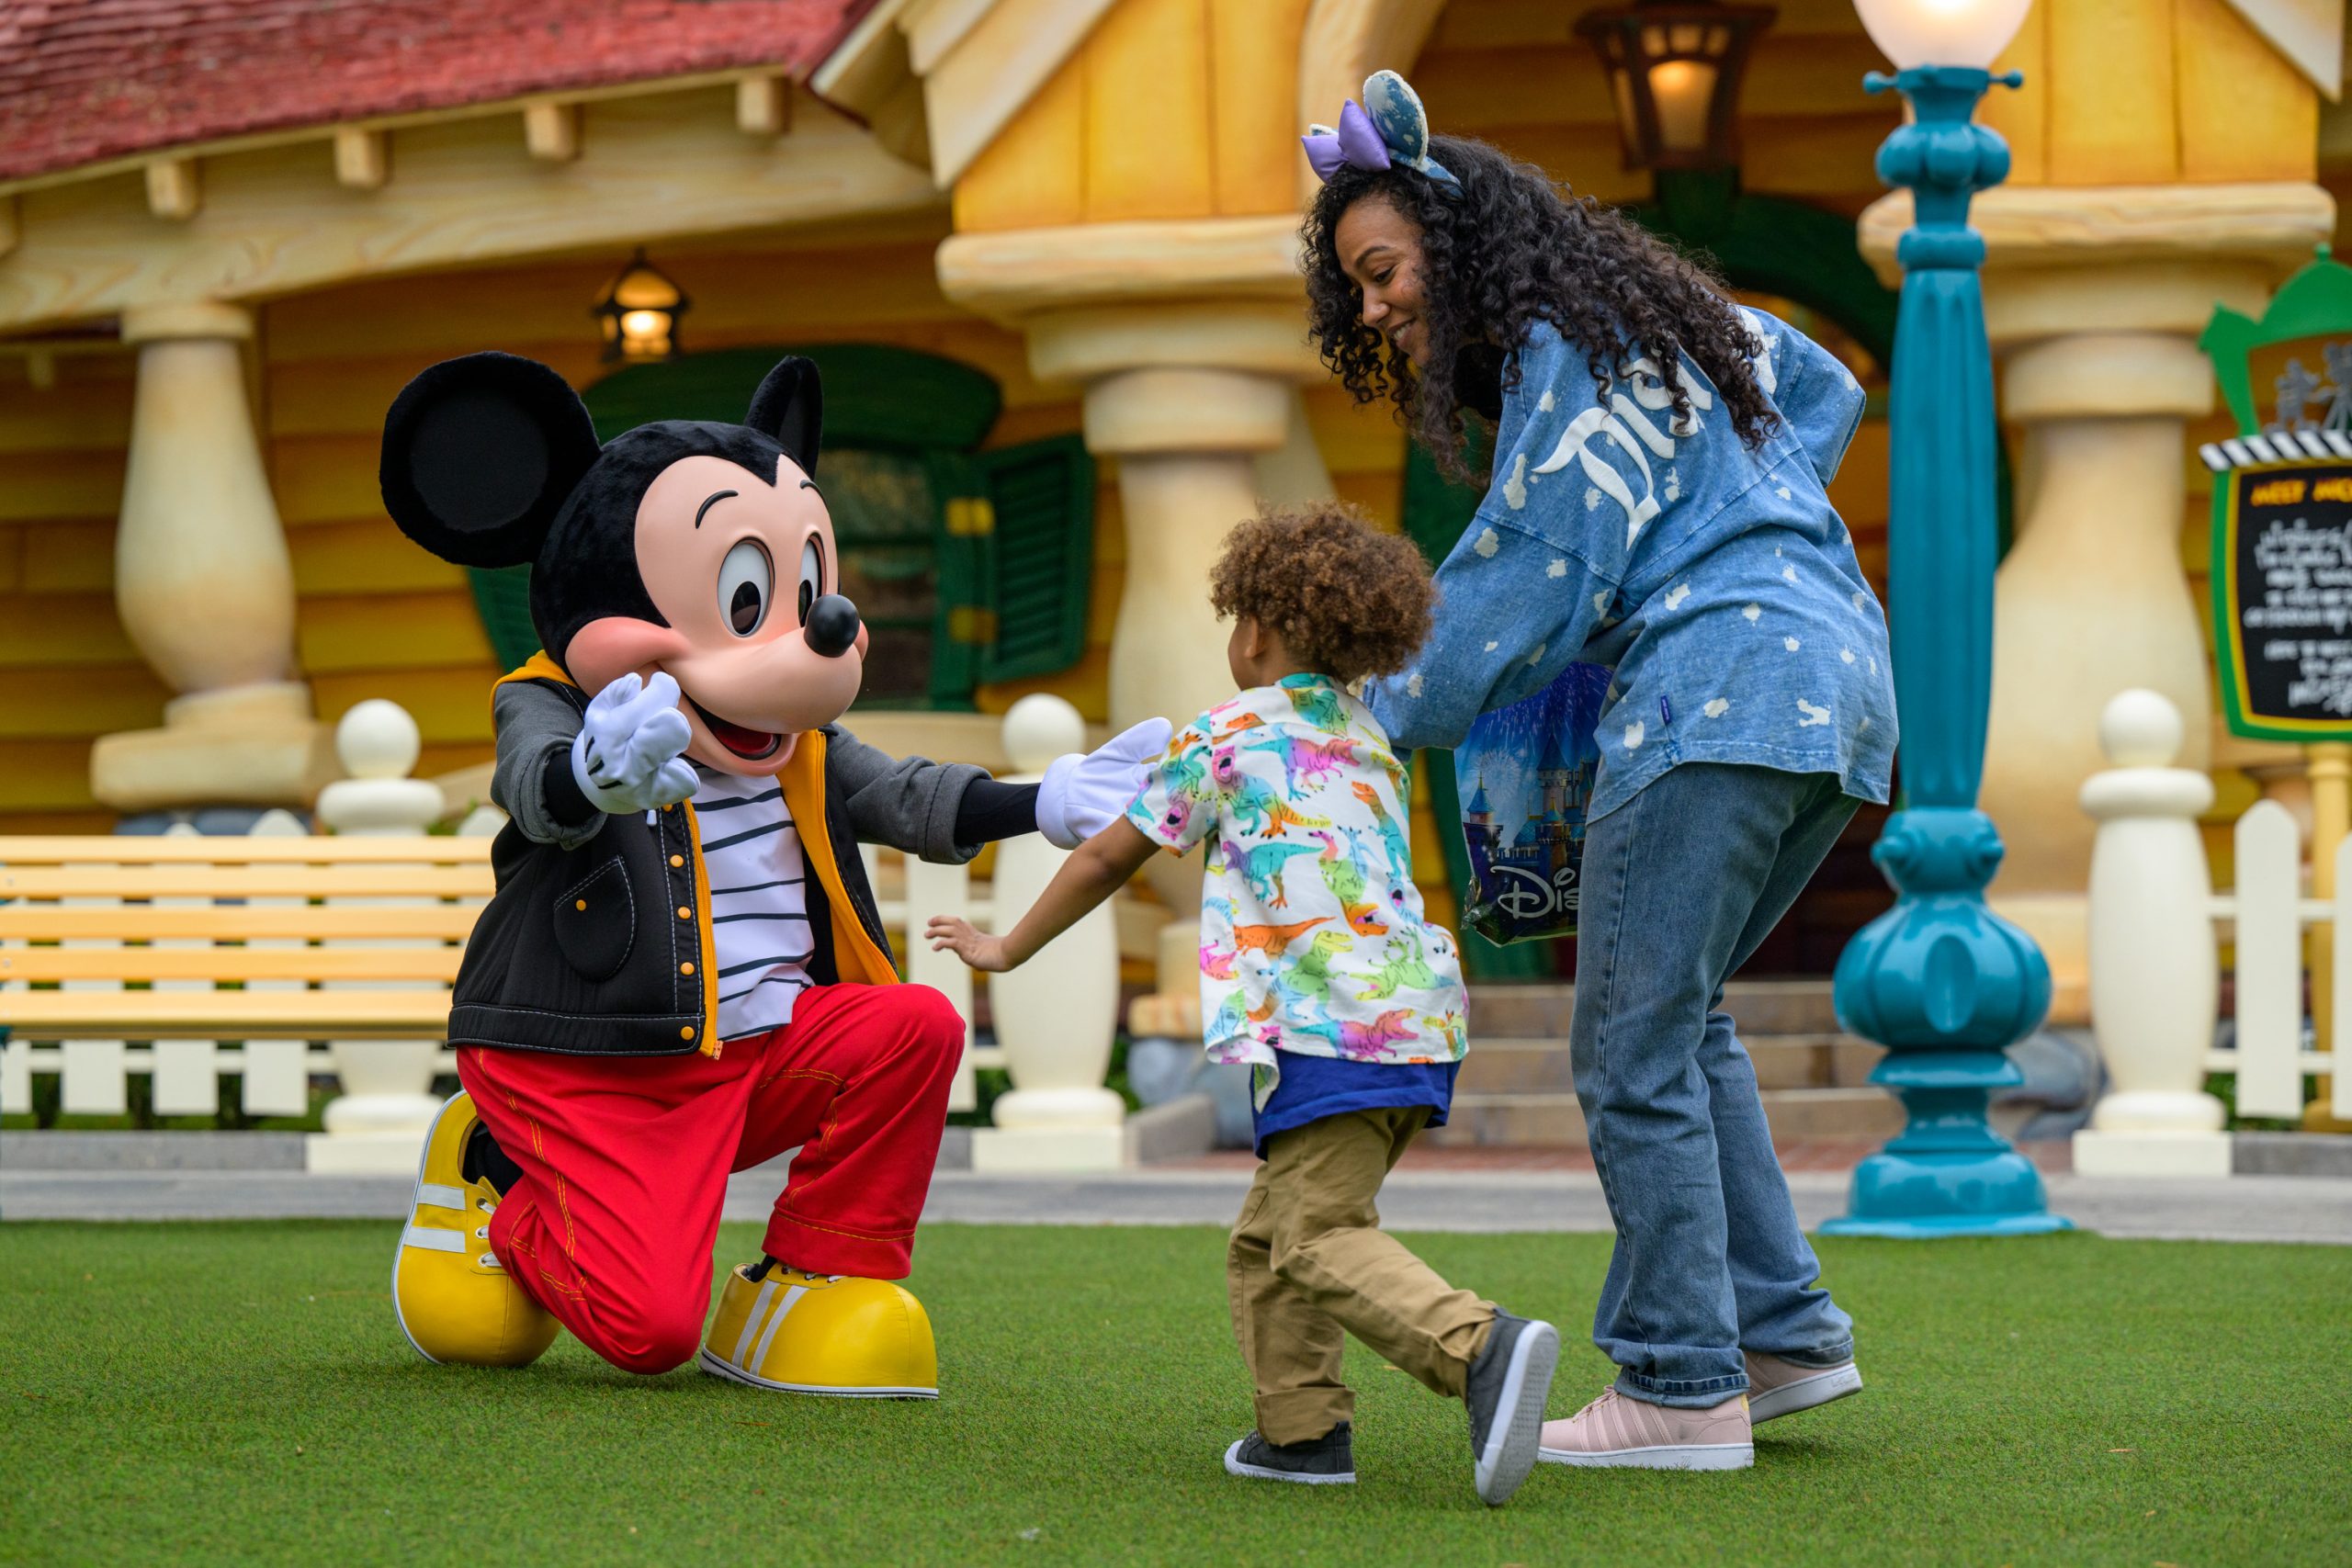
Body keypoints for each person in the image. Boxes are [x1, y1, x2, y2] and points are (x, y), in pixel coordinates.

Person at [1298, 73, 1886, 1471]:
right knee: (1684, 1021)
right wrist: (1740, 509)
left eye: (1383, 272)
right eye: (1356, 289)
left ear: (1464, 236)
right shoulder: (1660, 325)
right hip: (1838, 683)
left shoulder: (1565, 356)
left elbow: (1527, 579)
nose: (1375, 306)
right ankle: (1783, 1330)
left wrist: (1358, 707)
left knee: (1627, 1046)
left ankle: (1685, 1385)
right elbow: (1828, 385)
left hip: (1712, 695)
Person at [377, 350, 1163, 1394]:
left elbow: (909, 797)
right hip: (596, 1068)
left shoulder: (804, 745)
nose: (808, 636)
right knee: (647, 1334)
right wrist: (593, 777)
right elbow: (531, 788)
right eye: (750, 599)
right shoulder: (552, 703)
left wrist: (1047, 801)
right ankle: (501, 1174)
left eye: (802, 596)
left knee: (914, 1025)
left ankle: (812, 1274)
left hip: (750, 1055)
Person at [927, 502, 1560, 1507]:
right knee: (1271, 1237)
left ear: (1256, 631)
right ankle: (1301, 1435)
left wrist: (1005, 946)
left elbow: (1102, 855)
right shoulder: (1369, 739)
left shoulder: (1219, 736)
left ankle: (1477, 1347)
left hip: (1330, 1026)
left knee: (1313, 1236)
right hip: (1414, 1022)